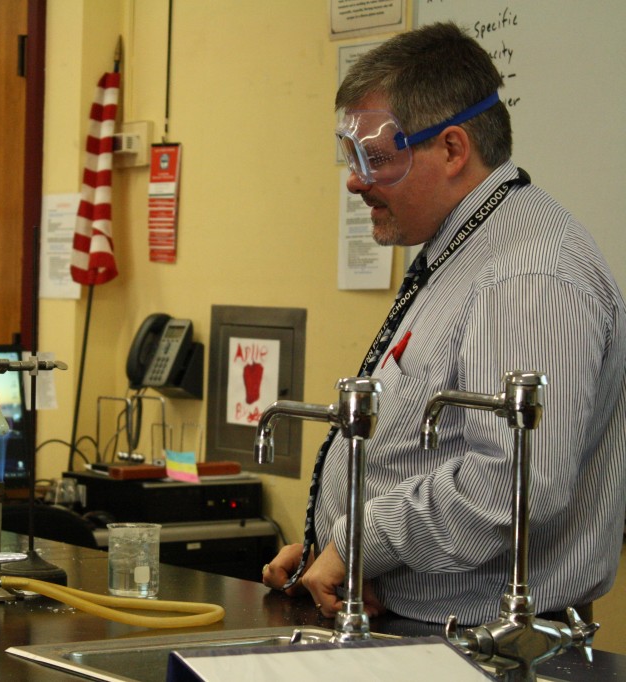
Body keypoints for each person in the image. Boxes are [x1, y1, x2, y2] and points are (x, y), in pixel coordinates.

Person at [262, 21, 626, 626]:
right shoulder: (464, 250)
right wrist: (337, 550)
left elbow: (516, 481)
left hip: (489, 649)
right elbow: (428, 446)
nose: (354, 179)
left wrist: (364, 543)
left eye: (373, 157)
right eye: (350, 156)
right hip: (418, 622)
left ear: (453, 149)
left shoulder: (528, 274)